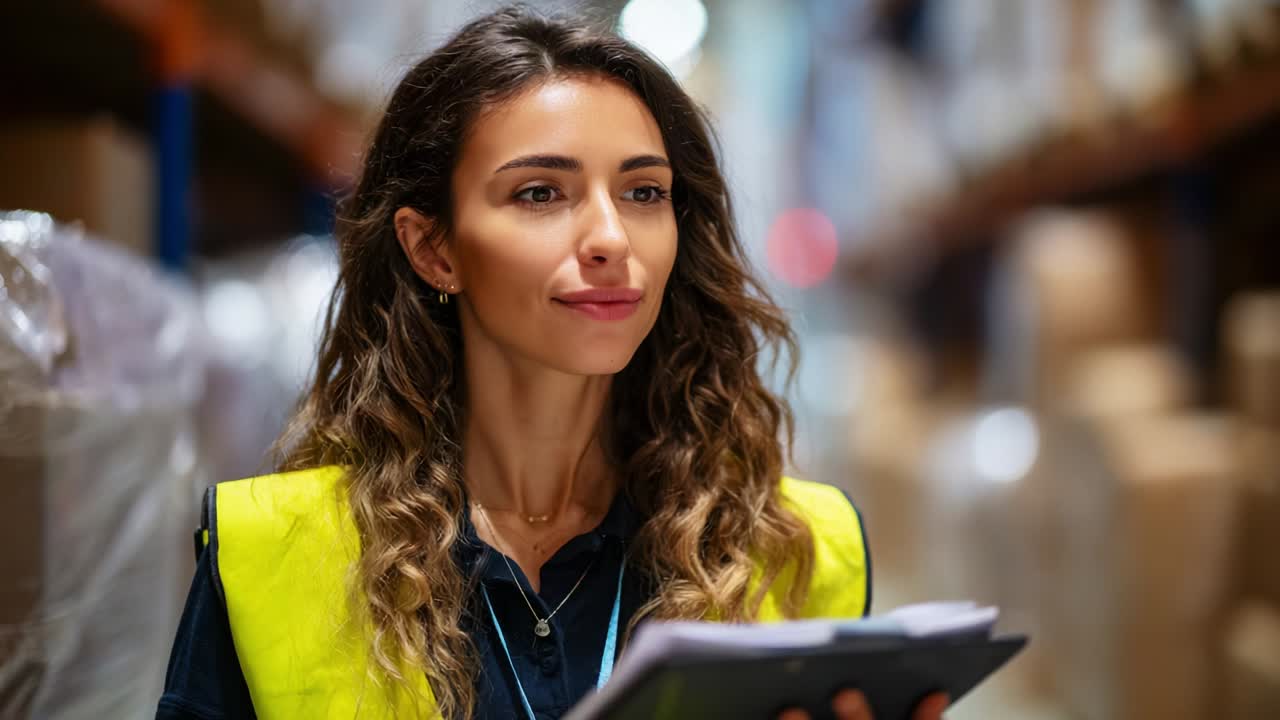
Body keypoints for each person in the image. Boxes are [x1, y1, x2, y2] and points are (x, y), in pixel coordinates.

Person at [157, 6, 948, 720]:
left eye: (644, 193)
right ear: (433, 248)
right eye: (540, 193)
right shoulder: (273, 553)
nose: (609, 237)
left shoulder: (797, 549)